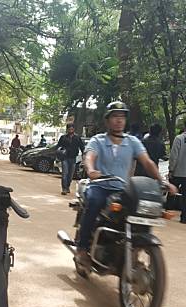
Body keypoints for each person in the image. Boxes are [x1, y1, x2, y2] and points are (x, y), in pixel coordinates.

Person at [74, 101, 177, 276]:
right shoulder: (97, 140)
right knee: (94, 201)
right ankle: (82, 249)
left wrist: (162, 180)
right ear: (107, 120)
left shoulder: (133, 142)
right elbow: (89, 156)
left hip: (121, 188)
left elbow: (148, 162)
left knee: (137, 212)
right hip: (100, 185)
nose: (119, 121)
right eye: (115, 116)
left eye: (121, 117)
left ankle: (133, 247)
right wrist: (91, 170)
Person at [57, 124, 85, 195]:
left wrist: (84, 155)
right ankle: (64, 189)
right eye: (69, 129)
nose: (71, 130)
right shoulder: (63, 137)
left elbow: (82, 147)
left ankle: (67, 187)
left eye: (72, 129)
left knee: (70, 175)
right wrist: (59, 153)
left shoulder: (77, 138)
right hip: (65, 158)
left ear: (74, 129)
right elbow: (58, 147)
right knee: (65, 173)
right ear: (67, 130)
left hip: (73, 158)